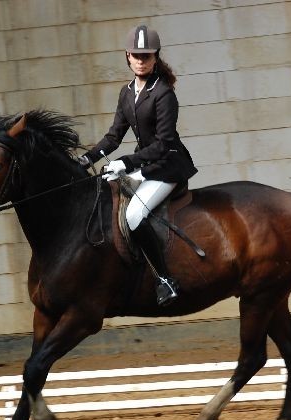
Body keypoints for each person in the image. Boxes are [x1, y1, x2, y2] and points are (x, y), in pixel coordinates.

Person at [79, 25, 197, 307]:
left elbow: (164, 143)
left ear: (155, 57)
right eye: (136, 55)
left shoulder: (164, 94)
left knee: (133, 216)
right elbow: (113, 136)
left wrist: (126, 162)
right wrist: (87, 159)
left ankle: (165, 280)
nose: (141, 60)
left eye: (147, 55)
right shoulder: (127, 92)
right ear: (128, 57)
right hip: (144, 163)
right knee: (106, 196)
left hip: (167, 166)